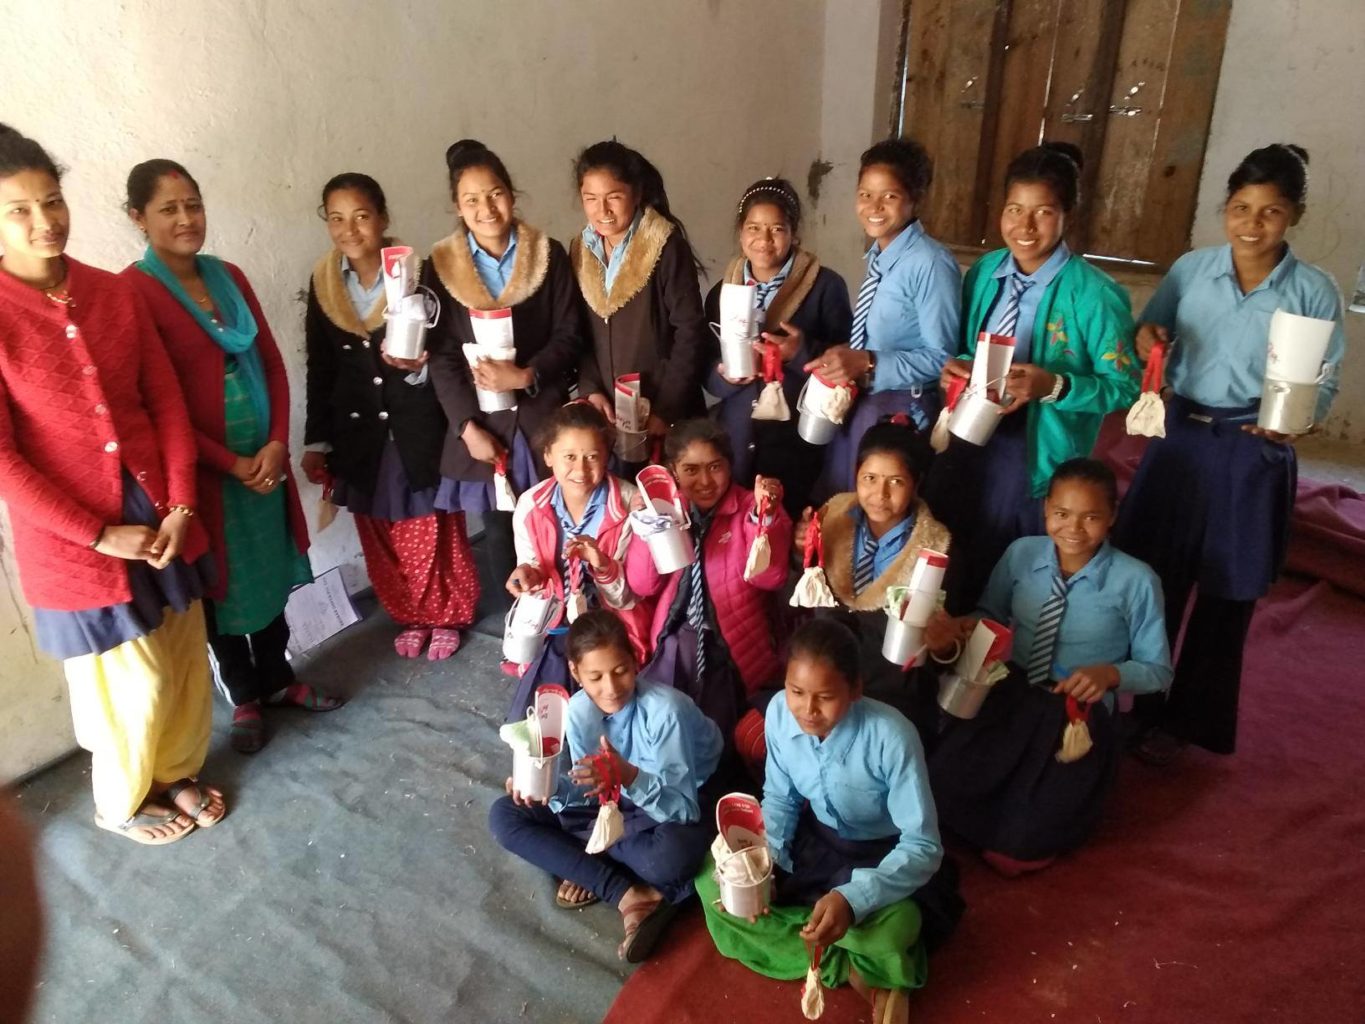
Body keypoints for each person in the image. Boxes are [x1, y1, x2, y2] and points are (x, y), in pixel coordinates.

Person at [0, 125, 225, 842]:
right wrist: (96, 533)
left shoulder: (110, 292)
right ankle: (123, 799)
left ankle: (179, 773)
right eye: (19, 210)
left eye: (53, 200)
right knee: (129, 683)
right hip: (77, 538)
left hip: (161, 506)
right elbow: (4, 460)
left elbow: (164, 402)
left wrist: (182, 503)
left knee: (185, 655)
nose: (45, 221)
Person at [1117, 143, 1347, 765]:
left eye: (1270, 211)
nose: (1252, 223)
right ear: (1225, 208)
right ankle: (1137, 708)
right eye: (1240, 207)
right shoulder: (1192, 270)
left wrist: (1296, 422)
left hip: (1251, 445)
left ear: (1294, 214)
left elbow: (1323, 381)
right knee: (1152, 577)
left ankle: (1190, 725)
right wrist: (1148, 339)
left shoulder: (1312, 292)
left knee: (1226, 591)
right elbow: (1149, 333)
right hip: (1181, 438)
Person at [123, 159, 334, 755]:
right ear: (138, 218)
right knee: (219, 584)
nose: (187, 218)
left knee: (268, 574)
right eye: (169, 208)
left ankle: (279, 680)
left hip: (263, 467)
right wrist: (229, 462)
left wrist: (273, 443)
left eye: (193, 204)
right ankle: (243, 694)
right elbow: (157, 401)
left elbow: (269, 360)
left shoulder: (229, 277)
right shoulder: (134, 293)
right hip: (202, 478)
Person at [697, 618, 953, 1024]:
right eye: (796, 691)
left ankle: (830, 943)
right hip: (816, 843)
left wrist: (852, 900)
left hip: (881, 855)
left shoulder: (893, 737)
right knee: (716, 881)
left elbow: (922, 845)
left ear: (855, 690)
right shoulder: (781, 715)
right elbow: (781, 798)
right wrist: (767, 867)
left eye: (826, 696)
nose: (808, 710)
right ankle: (852, 966)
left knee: (895, 925)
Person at [927, 459, 1171, 876]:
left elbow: (1158, 670)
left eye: (1091, 516)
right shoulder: (1021, 554)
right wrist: (961, 628)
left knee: (1014, 852)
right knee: (940, 791)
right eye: (1061, 514)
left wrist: (1110, 675)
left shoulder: (1136, 581)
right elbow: (991, 613)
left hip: (1075, 713)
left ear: (1112, 516)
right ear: (1045, 510)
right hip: (1012, 692)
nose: (1073, 529)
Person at [925, 143, 1140, 612]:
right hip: (970, 430)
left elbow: (1125, 387)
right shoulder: (985, 272)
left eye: (1042, 212)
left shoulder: (1095, 295)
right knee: (954, 540)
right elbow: (969, 342)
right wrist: (958, 365)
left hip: (1034, 449)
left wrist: (1055, 386)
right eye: (1014, 210)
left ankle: (998, 665)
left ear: (1068, 216)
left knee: (1005, 558)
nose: (1024, 227)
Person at [302, 172, 479, 661]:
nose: (350, 229)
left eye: (361, 216)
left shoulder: (417, 274)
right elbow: (321, 366)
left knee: (429, 523)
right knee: (379, 529)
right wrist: (317, 441)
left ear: (382, 218)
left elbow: (445, 352)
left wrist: (420, 372)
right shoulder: (322, 284)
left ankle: (446, 613)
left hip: (416, 427)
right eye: (336, 219)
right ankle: (409, 613)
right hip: (359, 434)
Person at [488, 610, 723, 963]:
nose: (610, 688)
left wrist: (628, 776)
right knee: (505, 815)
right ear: (575, 673)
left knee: (670, 858)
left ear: (635, 661)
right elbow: (591, 787)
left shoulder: (665, 713)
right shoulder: (580, 711)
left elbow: (684, 808)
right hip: (621, 801)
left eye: (620, 671)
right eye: (595, 677)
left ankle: (592, 867)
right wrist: (549, 790)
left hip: (682, 797)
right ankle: (627, 893)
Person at [424, 140, 584, 602]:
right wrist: (465, 427)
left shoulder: (546, 254)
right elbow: (443, 353)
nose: (485, 208)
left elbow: (569, 333)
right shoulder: (441, 266)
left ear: (511, 195)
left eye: (494, 194)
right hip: (483, 422)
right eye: (471, 199)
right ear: (457, 206)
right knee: (500, 527)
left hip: (541, 416)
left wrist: (526, 375)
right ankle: (521, 622)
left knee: (556, 516)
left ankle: (567, 614)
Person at [626, 419, 792, 747]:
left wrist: (765, 519)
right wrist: (648, 527)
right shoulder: (666, 508)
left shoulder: (749, 507)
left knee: (715, 740)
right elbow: (643, 585)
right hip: (672, 641)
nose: (704, 481)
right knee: (659, 729)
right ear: (673, 471)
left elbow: (770, 577)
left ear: (730, 466)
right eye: (691, 469)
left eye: (715, 467)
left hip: (728, 646)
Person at [809, 138, 959, 499]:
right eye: (865, 195)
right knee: (846, 504)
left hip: (900, 411)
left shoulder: (930, 263)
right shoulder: (881, 255)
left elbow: (942, 358)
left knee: (881, 509)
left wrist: (868, 361)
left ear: (915, 198)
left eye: (889, 196)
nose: (874, 207)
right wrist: (848, 356)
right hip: (866, 400)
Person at [704, 176, 851, 515]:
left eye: (777, 229)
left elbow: (845, 369)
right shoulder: (721, 293)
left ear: (794, 233)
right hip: (737, 437)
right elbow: (706, 370)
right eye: (754, 228)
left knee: (788, 523)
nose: (764, 240)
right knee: (740, 529)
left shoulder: (825, 286)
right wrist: (725, 377)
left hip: (798, 435)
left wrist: (800, 353)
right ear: (741, 233)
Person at [794, 418, 950, 728]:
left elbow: (940, 644)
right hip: (823, 687)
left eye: (896, 481)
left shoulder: (936, 550)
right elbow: (800, 598)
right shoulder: (830, 519)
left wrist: (941, 643)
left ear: (916, 484)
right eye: (870, 478)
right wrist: (802, 552)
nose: (880, 493)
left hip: (892, 696)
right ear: (855, 476)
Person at [504, 401, 653, 717]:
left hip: (613, 625)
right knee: (540, 716)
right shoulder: (532, 505)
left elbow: (628, 597)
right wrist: (527, 574)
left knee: (611, 705)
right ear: (548, 456)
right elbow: (531, 563)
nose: (581, 469)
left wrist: (602, 564)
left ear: (607, 457)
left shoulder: (629, 505)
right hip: (556, 624)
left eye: (592, 457)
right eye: (569, 457)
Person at [570, 140, 710, 463]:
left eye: (613, 197)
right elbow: (580, 332)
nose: (602, 210)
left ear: (636, 193)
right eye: (590, 199)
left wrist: (666, 409)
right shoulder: (581, 250)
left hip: (663, 414)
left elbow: (690, 331)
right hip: (610, 416)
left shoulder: (664, 246)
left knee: (665, 500)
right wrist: (591, 389)